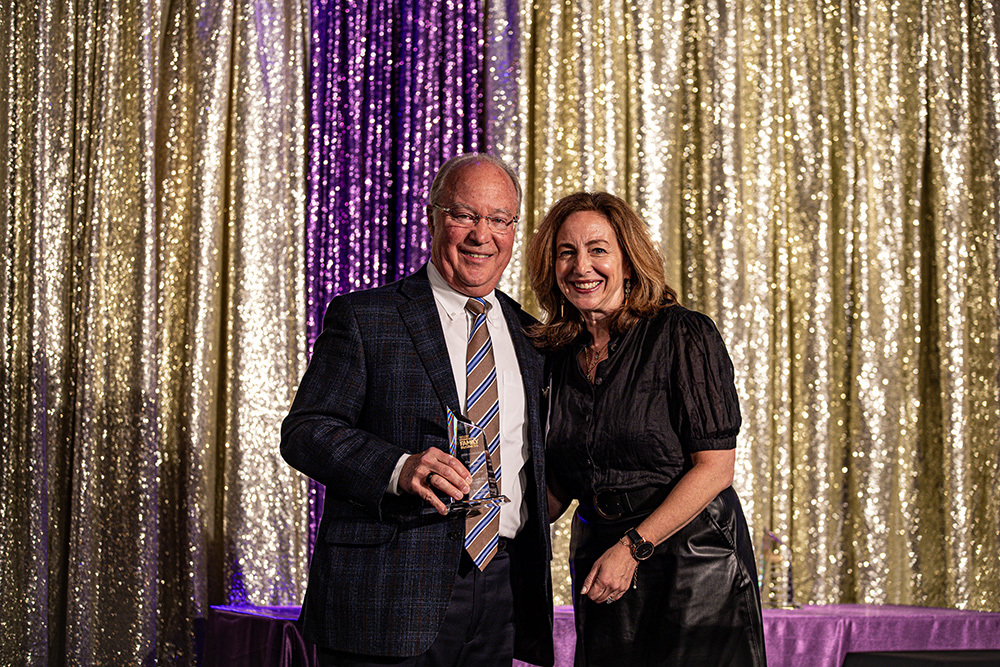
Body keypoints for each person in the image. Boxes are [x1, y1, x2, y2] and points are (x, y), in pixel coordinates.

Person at [281, 154, 553, 666]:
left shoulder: (531, 336)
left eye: (499, 219)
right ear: (432, 217)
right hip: (386, 594)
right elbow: (305, 431)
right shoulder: (367, 317)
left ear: (514, 231)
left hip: (499, 590)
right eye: (463, 215)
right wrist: (398, 467)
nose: (481, 235)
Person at [526, 192, 766, 666]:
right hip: (601, 563)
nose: (582, 267)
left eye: (598, 250)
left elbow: (715, 468)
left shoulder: (682, 334)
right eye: (566, 252)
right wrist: (488, 526)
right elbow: (561, 482)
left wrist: (632, 548)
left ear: (629, 262)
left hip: (694, 565)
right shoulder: (553, 355)